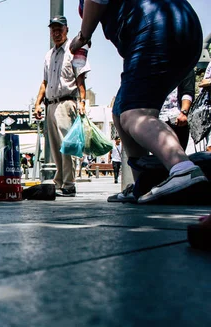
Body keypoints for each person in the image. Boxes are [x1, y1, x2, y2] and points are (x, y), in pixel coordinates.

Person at [71, 0, 208, 203]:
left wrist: (83, 36)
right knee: (120, 109)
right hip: (184, 27)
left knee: (135, 113)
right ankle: (143, 184)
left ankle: (182, 168)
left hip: (155, 28)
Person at [34, 15, 90, 197]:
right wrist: (37, 104)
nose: (56, 33)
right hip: (51, 104)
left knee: (68, 144)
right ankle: (60, 181)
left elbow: (80, 79)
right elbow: (44, 82)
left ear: (66, 30)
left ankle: (69, 183)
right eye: (53, 30)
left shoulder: (74, 50)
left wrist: (82, 102)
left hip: (67, 102)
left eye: (60, 29)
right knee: (56, 145)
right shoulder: (48, 55)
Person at [159, 70, 195, 150]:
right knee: (158, 156)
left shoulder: (186, 68)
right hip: (156, 119)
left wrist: (184, 112)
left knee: (177, 154)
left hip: (177, 119)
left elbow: (188, 92)